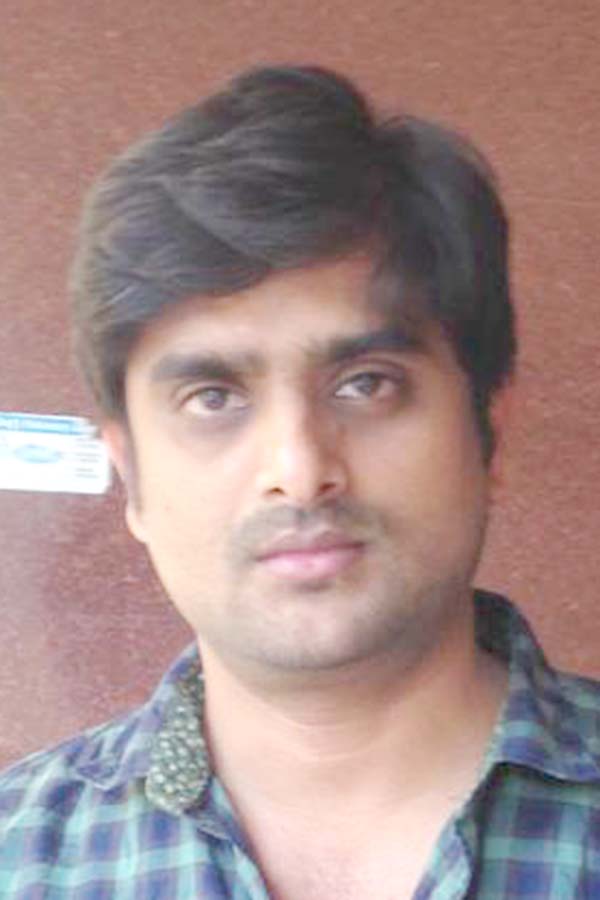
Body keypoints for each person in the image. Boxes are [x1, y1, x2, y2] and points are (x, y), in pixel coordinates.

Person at [1, 64, 599, 900]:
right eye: (213, 398)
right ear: (131, 475)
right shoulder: (20, 857)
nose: (300, 470)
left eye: (366, 384)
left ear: (488, 433)